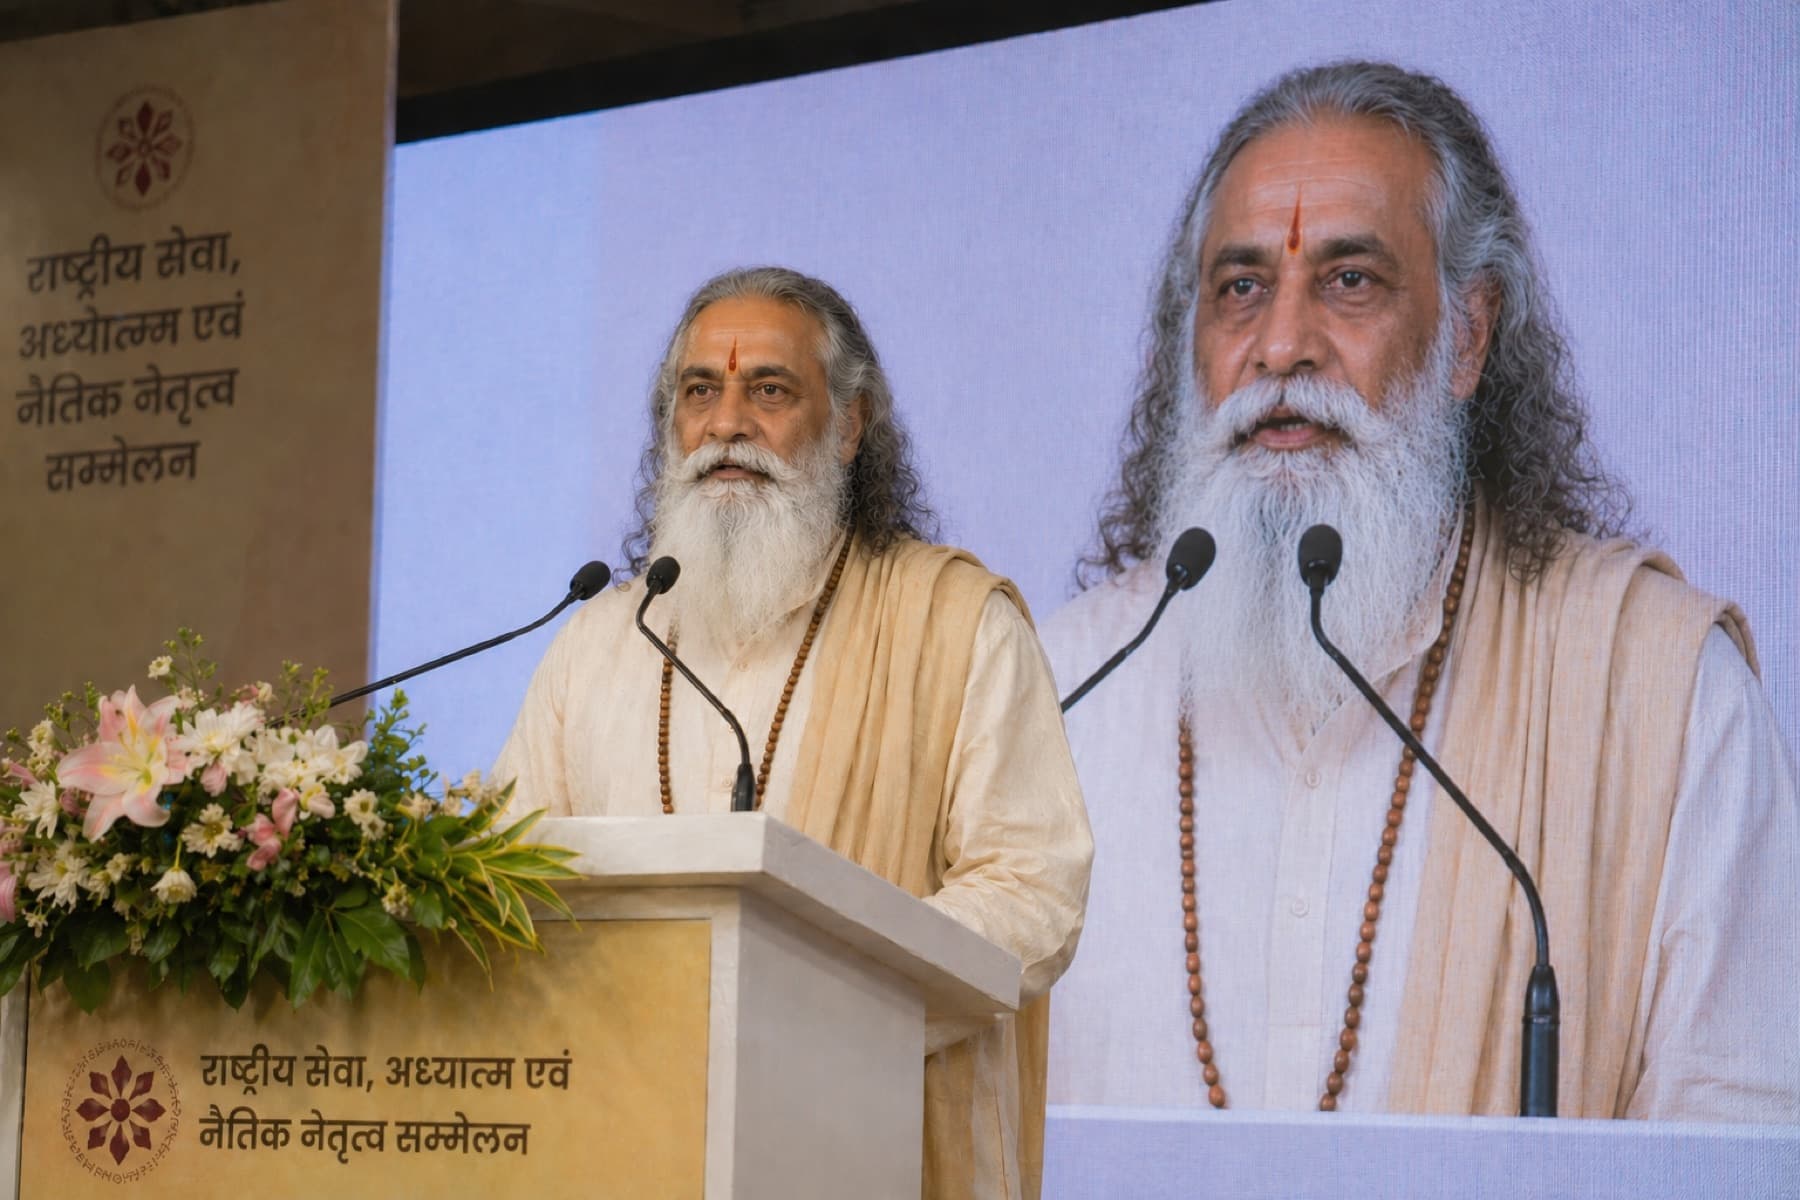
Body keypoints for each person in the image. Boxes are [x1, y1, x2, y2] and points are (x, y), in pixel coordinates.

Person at [1041, 60, 1798, 1121]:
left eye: (1350, 280)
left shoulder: (1662, 697)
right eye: (1241, 287)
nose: (1282, 346)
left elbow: (1742, 1145)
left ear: (1469, 335)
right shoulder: (1061, 696)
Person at [493, 266, 1093, 1197]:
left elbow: (1033, 887)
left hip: (868, 1138)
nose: (727, 423)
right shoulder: (603, 638)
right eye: (700, 391)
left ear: (850, 426)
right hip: (615, 1133)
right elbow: (508, 866)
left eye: (768, 390)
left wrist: (817, 1001)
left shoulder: (955, 623)